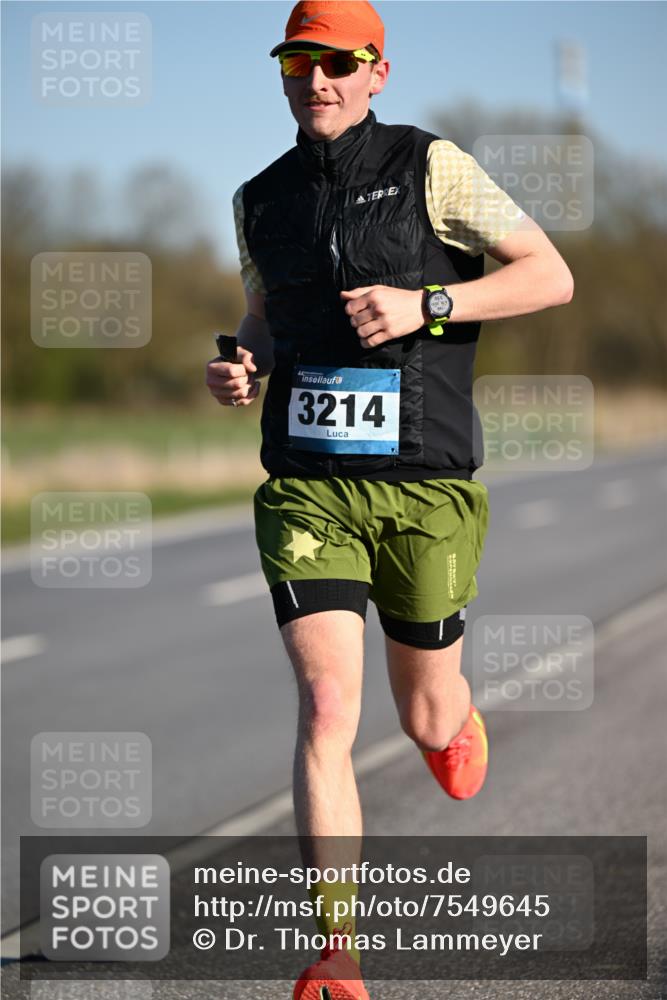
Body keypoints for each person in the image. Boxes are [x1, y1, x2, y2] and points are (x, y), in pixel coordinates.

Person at [206, 2, 574, 997]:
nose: (316, 81)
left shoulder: (430, 167)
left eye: (338, 63)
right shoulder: (259, 199)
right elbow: (263, 318)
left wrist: (428, 303)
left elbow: (549, 276)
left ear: (376, 71)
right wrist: (241, 364)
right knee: (327, 705)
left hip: (423, 487)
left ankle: (451, 721)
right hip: (308, 489)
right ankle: (337, 950)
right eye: (298, 62)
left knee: (424, 713)